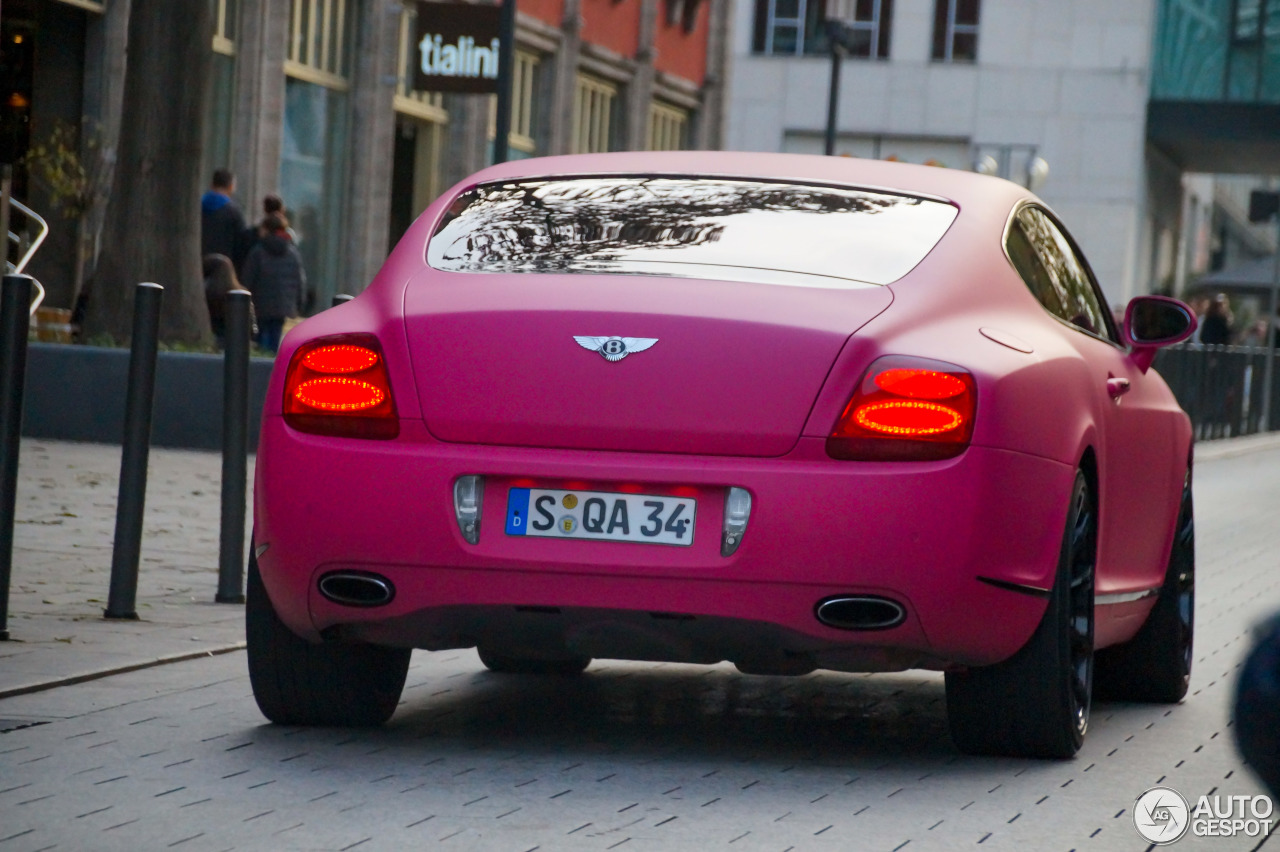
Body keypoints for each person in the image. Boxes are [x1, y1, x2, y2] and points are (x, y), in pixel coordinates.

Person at [240, 213, 306, 353]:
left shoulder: (257, 252)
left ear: (267, 230)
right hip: (282, 306)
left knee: (259, 339)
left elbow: (248, 279)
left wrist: (244, 302)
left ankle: (259, 367)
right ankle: (270, 368)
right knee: (275, 339)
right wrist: (298, 303)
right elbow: (300, 281)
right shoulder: (292, 253)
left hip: (260, 305)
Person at [201, 169, 251, 270]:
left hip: (199, 262)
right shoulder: (234, 212)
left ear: (212, 184)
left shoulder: (197, 206)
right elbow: (241, 244)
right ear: (231, 187)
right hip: (223, 267)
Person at [203, 253, 256, 349]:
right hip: (236, 339)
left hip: (215, 337)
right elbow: (250, 320)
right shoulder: (240, 293)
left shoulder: (206, 292)